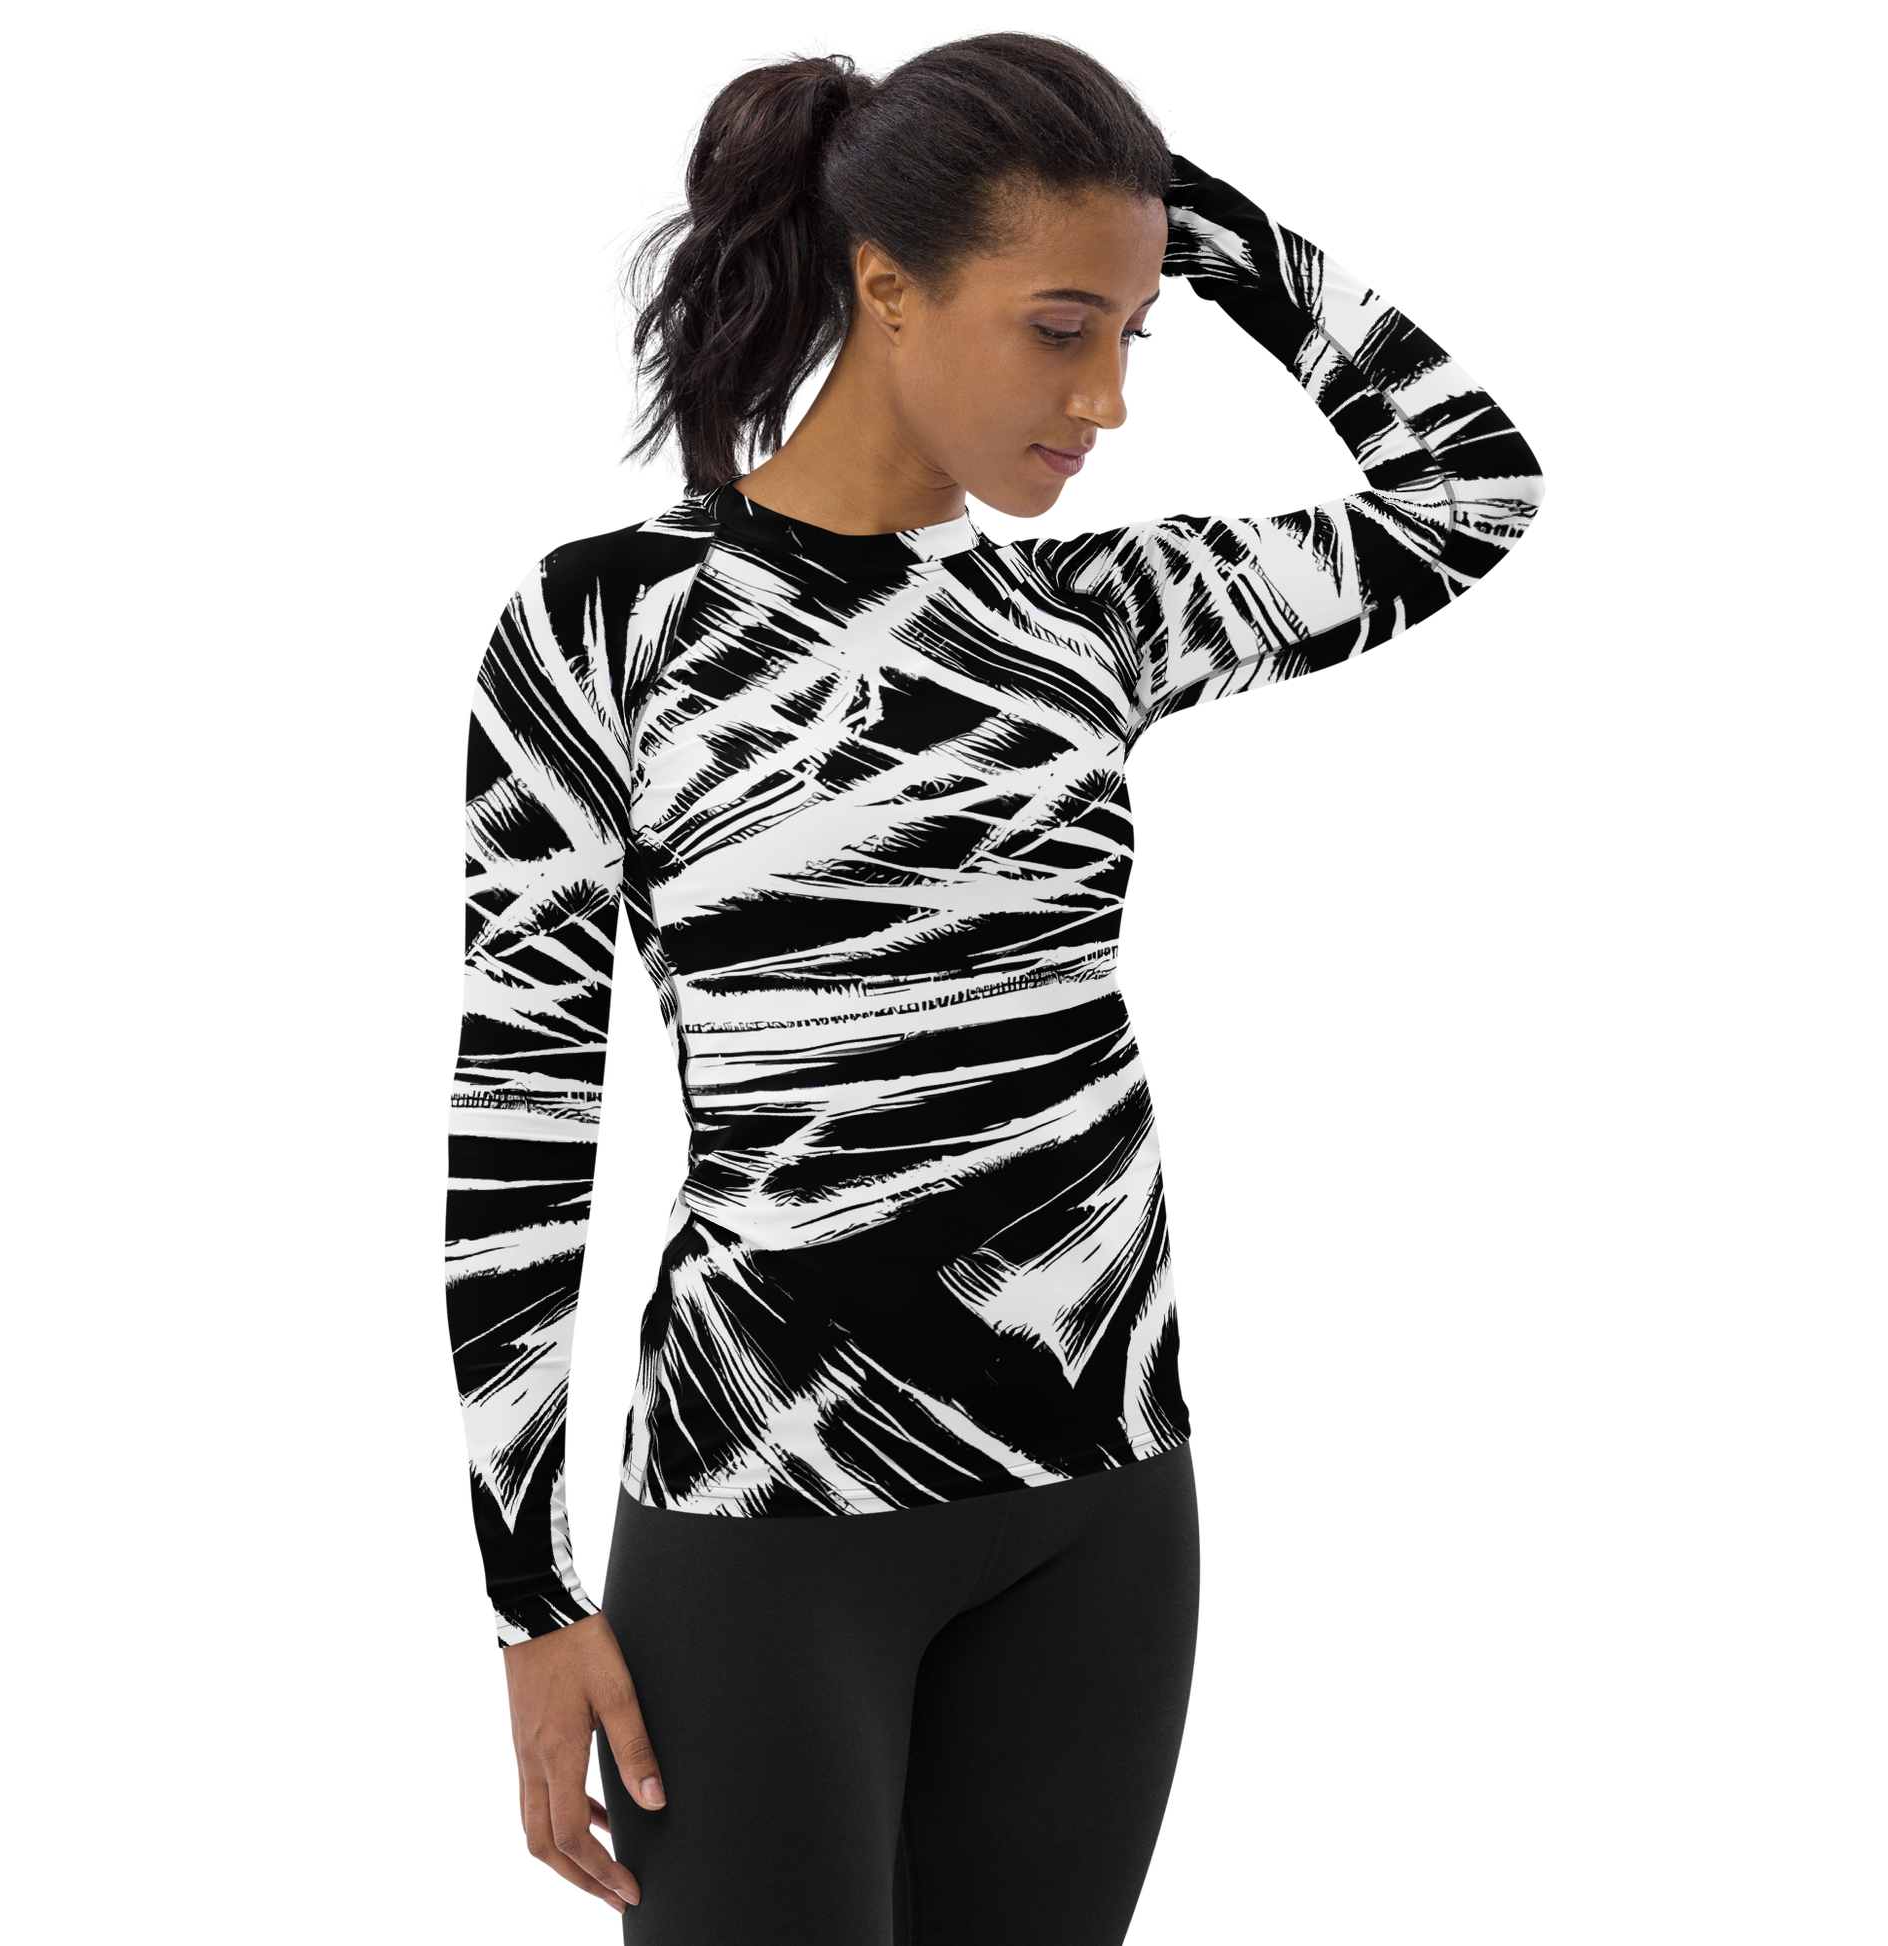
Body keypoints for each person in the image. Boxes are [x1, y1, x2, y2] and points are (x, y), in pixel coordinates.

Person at [442, 24, 1548, 1943]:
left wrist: (1175, 212)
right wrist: (526, 1596)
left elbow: (1476, 487)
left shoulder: (1097, 614)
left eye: (1134, 335)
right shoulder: (611, 617)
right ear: (885, 282)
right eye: (1058, 328)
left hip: (1108, 1496)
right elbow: (524, 1110)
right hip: (768, 1503)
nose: (1109, 398)